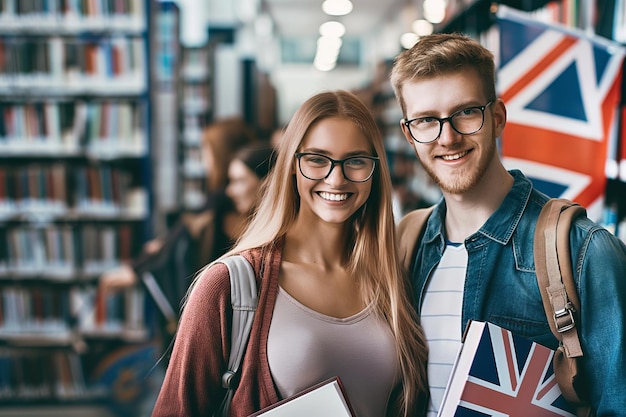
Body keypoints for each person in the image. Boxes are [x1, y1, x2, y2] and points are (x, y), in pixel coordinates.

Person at [151, 90, 430, 417]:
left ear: (375, 171)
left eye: (355, 160)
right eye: (317, 159)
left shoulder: (392, 279)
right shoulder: (229, 285)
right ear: (292, 166)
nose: (336, 178)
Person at [390, 32, 626, 416]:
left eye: (465, 112)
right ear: (409, 133)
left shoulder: (584, 251)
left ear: (497, 118)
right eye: (426, 120)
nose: (447, 137)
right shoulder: (407, 245)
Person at [99, 117, 259, 339]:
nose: (204, 160)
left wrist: (137, 268)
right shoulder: (228, 200)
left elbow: (187, 229)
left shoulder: (222, 201)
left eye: (206, 151)